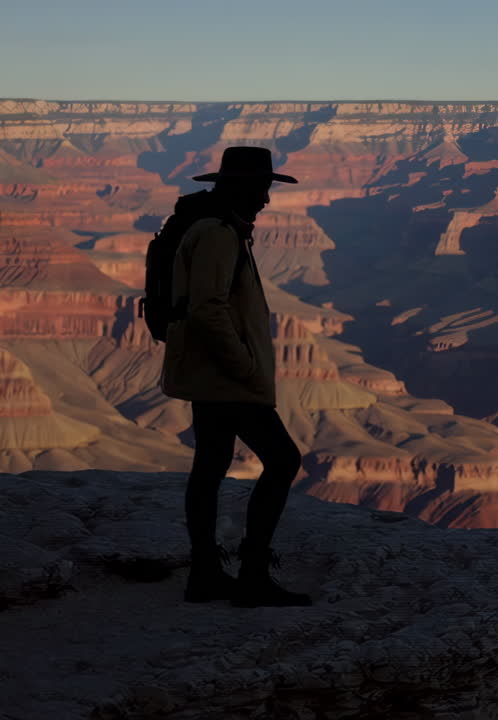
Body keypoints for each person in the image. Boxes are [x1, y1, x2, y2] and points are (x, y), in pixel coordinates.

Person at [160, 146, 311, 607]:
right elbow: (208, 308)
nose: (266, 200)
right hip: (224, 375)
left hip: (212, 372)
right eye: (262, 189)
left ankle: (205, 574)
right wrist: (243, 367)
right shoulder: (218, 234)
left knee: (211, 463)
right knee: (283, 460)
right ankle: (252, 575)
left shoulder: (221, 229)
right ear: (240, 188)